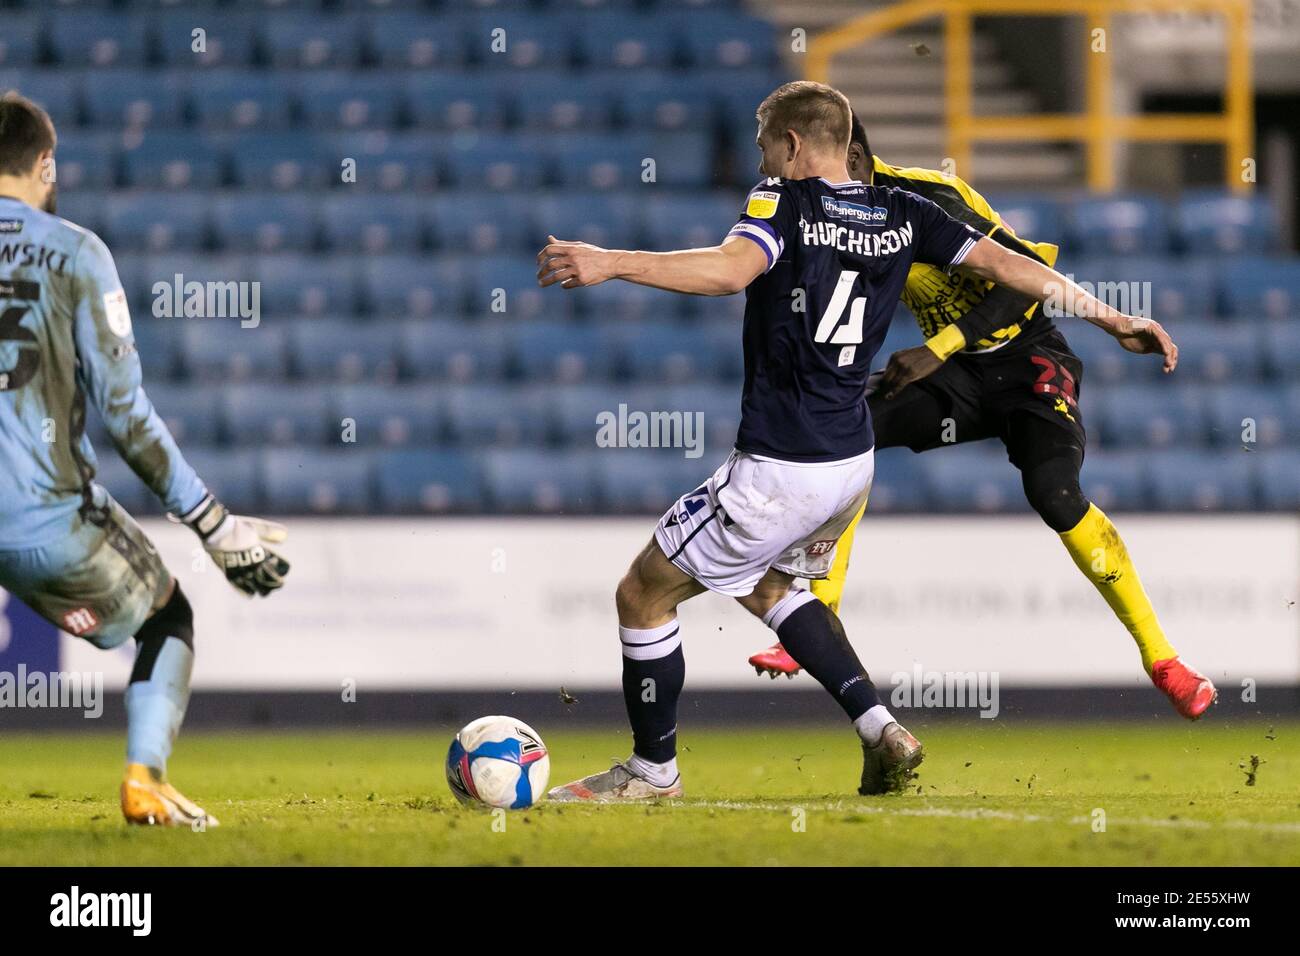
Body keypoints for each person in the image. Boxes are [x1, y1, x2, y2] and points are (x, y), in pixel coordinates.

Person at [746, 112, 1216, 722]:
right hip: (955, 375)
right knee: (848, 430)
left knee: (1054, 492)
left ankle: (1164, 660)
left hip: (1029, 362)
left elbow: (1023, 280)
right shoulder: (827, 219)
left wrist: (1116, 321)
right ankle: (816, 616)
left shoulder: (927, 197)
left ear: (852, 156)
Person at [0, 92, 291, 826]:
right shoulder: (74, 251)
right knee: (167, 617)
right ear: (43, 162)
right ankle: (142, 779)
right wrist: (214, 524)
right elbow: (126, 417)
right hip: (43, 518)